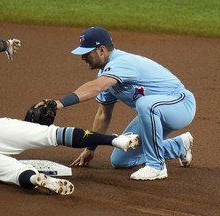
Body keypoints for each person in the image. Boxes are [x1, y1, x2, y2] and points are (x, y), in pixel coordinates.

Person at [0, 38, 140, 195]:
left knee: (14, 172)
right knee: (51, 135)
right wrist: (6, 44)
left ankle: (37, 180)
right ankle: (116, 139)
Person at [52, 27, 196, 180]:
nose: (83, 57)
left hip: (180, 105)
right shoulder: (106, 75)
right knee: (120, 160)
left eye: (86, 53)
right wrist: (90, 148)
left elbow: (96, 87)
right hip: (154, 114)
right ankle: (179, 145)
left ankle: (156, 165)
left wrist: (61, 103)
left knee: (144, 104)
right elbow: (103, 114)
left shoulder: (122, 62)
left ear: (101, 50)